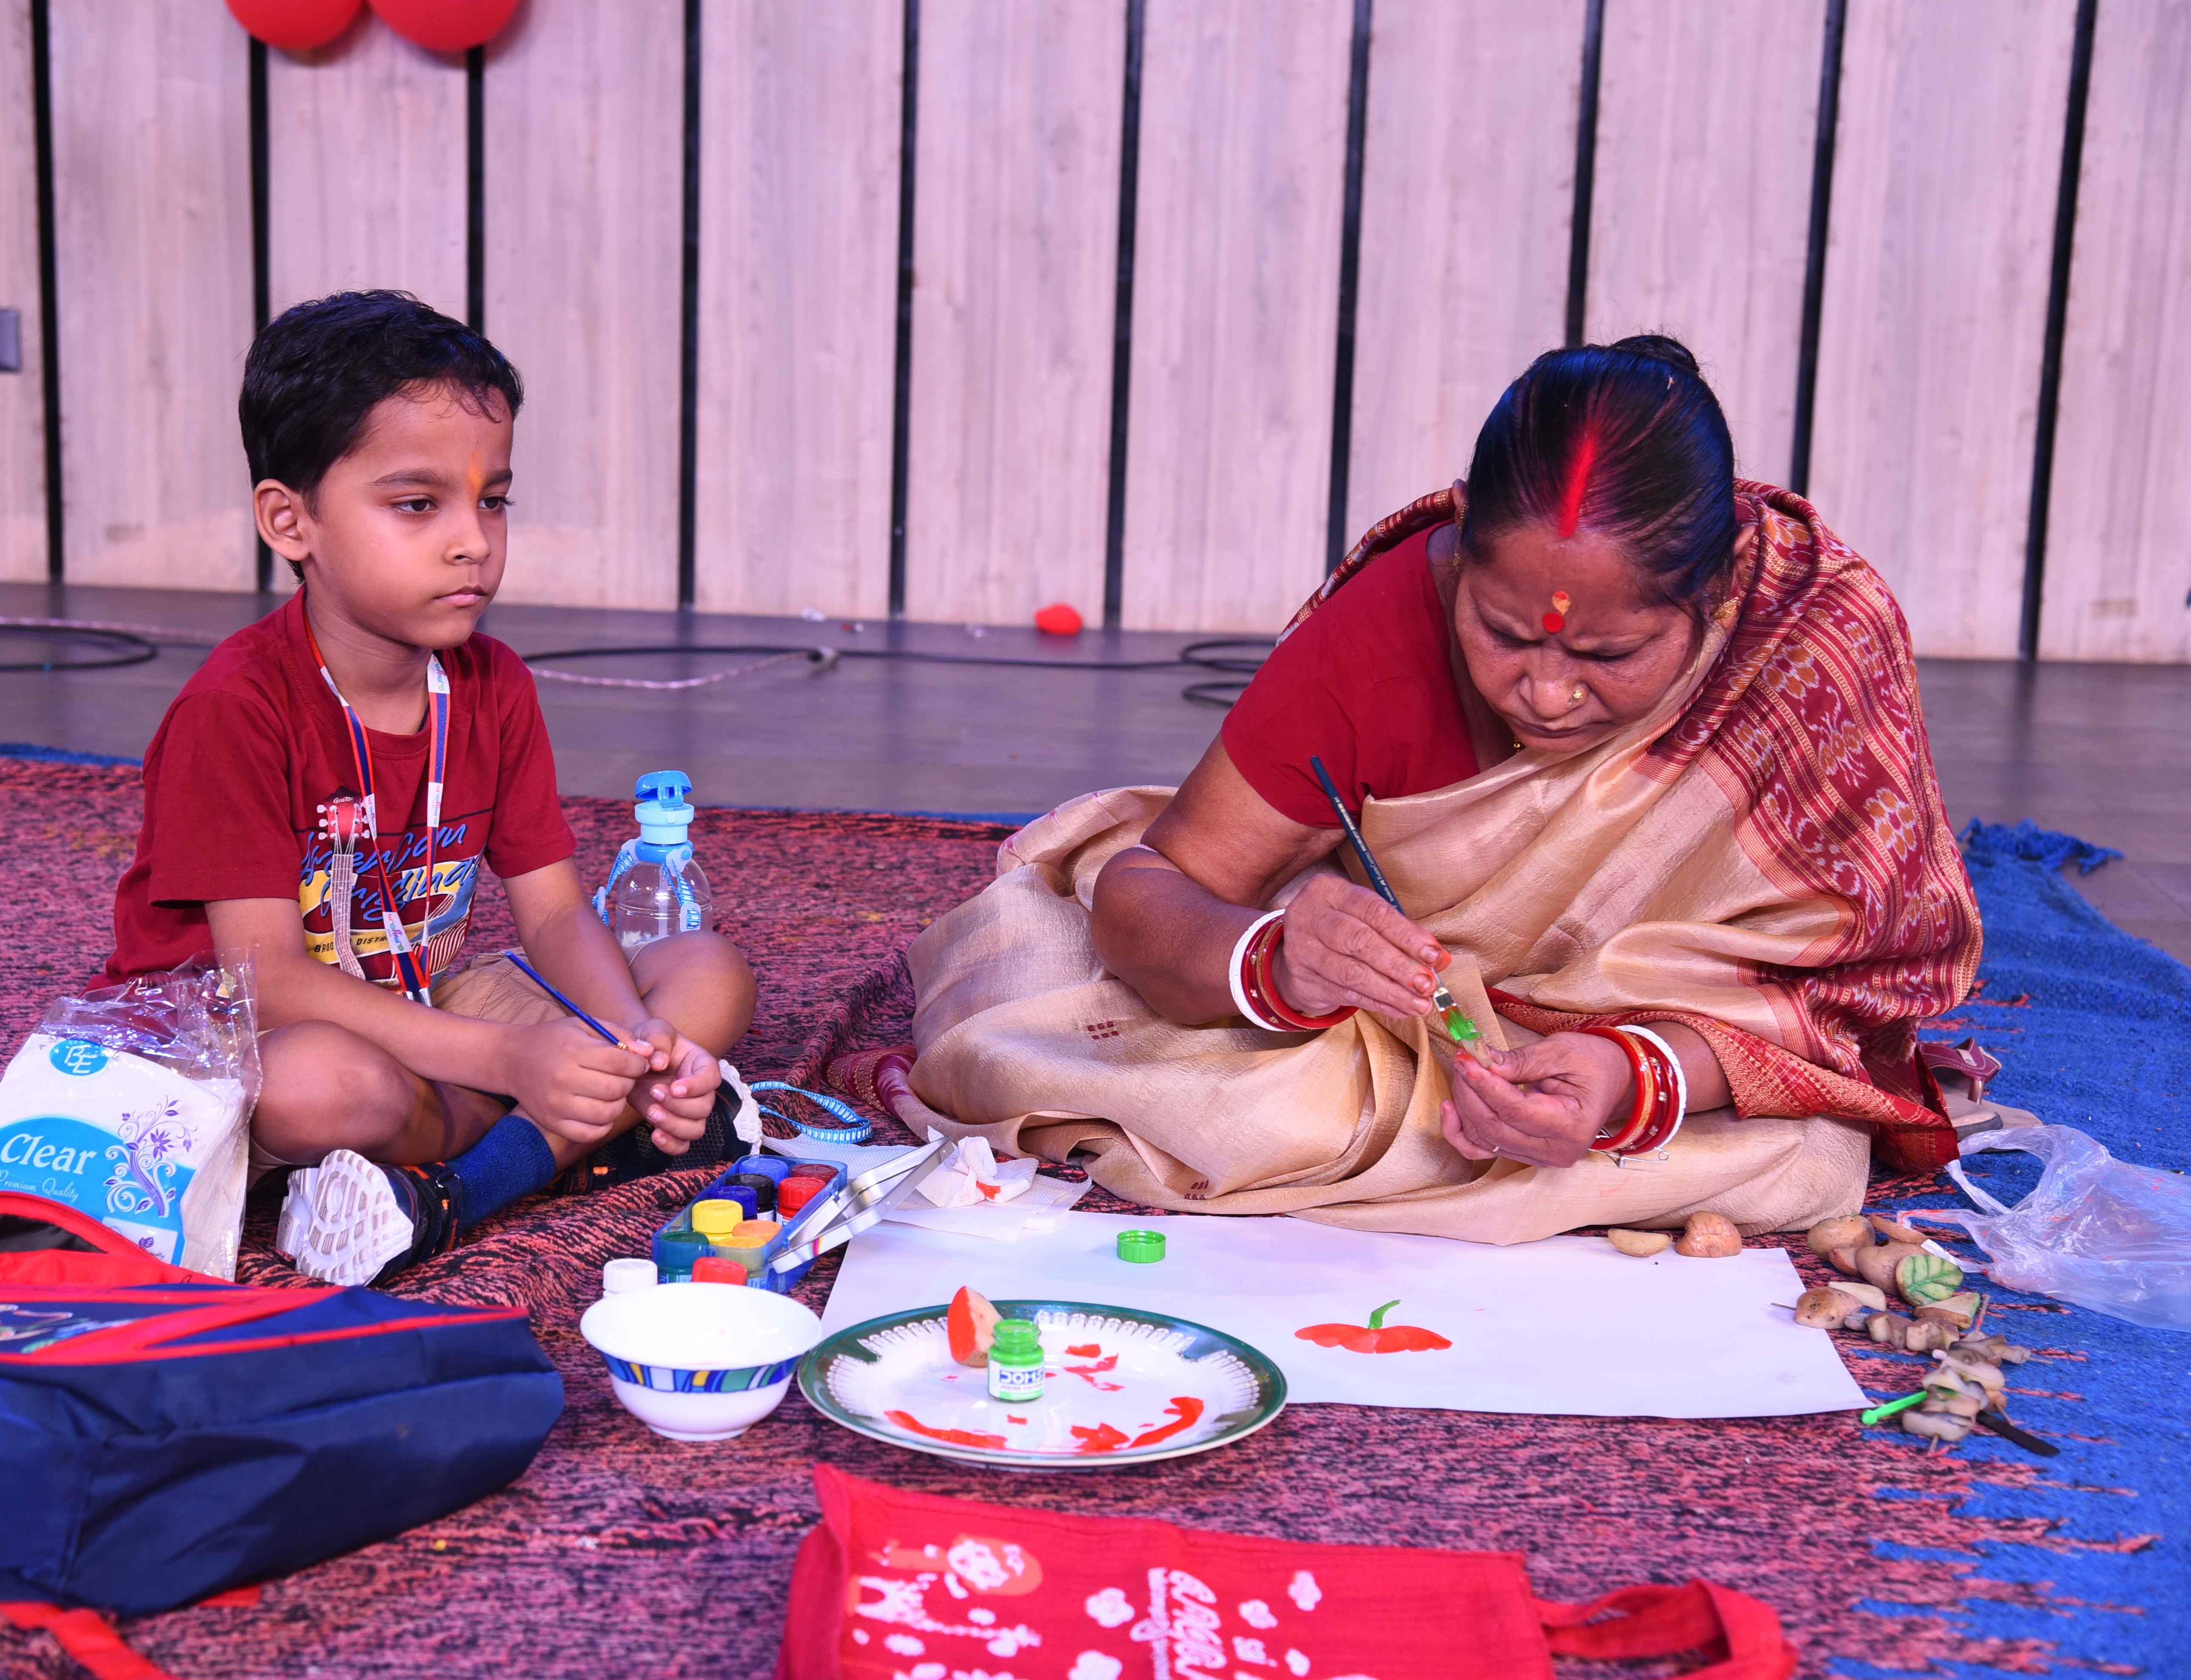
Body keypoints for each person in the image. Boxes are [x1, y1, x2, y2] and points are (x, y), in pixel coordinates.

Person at [891, 335, 1977, 1243]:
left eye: (1608, 654)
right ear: (1460, 544)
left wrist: (1630, 1075)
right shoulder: (1387, 622)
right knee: (1016, 1010)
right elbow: (1151, 888)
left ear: (1721, 591)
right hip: (1380, 1025)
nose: (1544, 691)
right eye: (1500, 632)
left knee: (1797, 1153)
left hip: (1675, 1060)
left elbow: (1850, 1002)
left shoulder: (1808, 641)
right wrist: (1270, 961)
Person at [103, 290, 757, 1286]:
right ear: (289, 520)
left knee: (709, 974)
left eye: (492, 501)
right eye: (418, 505)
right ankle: (554, 1140)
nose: (472, 542)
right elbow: (268, 979)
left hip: (421, 997)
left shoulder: (492, 683)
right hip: (250, 1028)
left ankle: (470, 1175)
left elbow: (552, 914)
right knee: (315, 1087)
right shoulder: (234, 708)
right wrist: (511, 1061)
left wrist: (630, 1043)